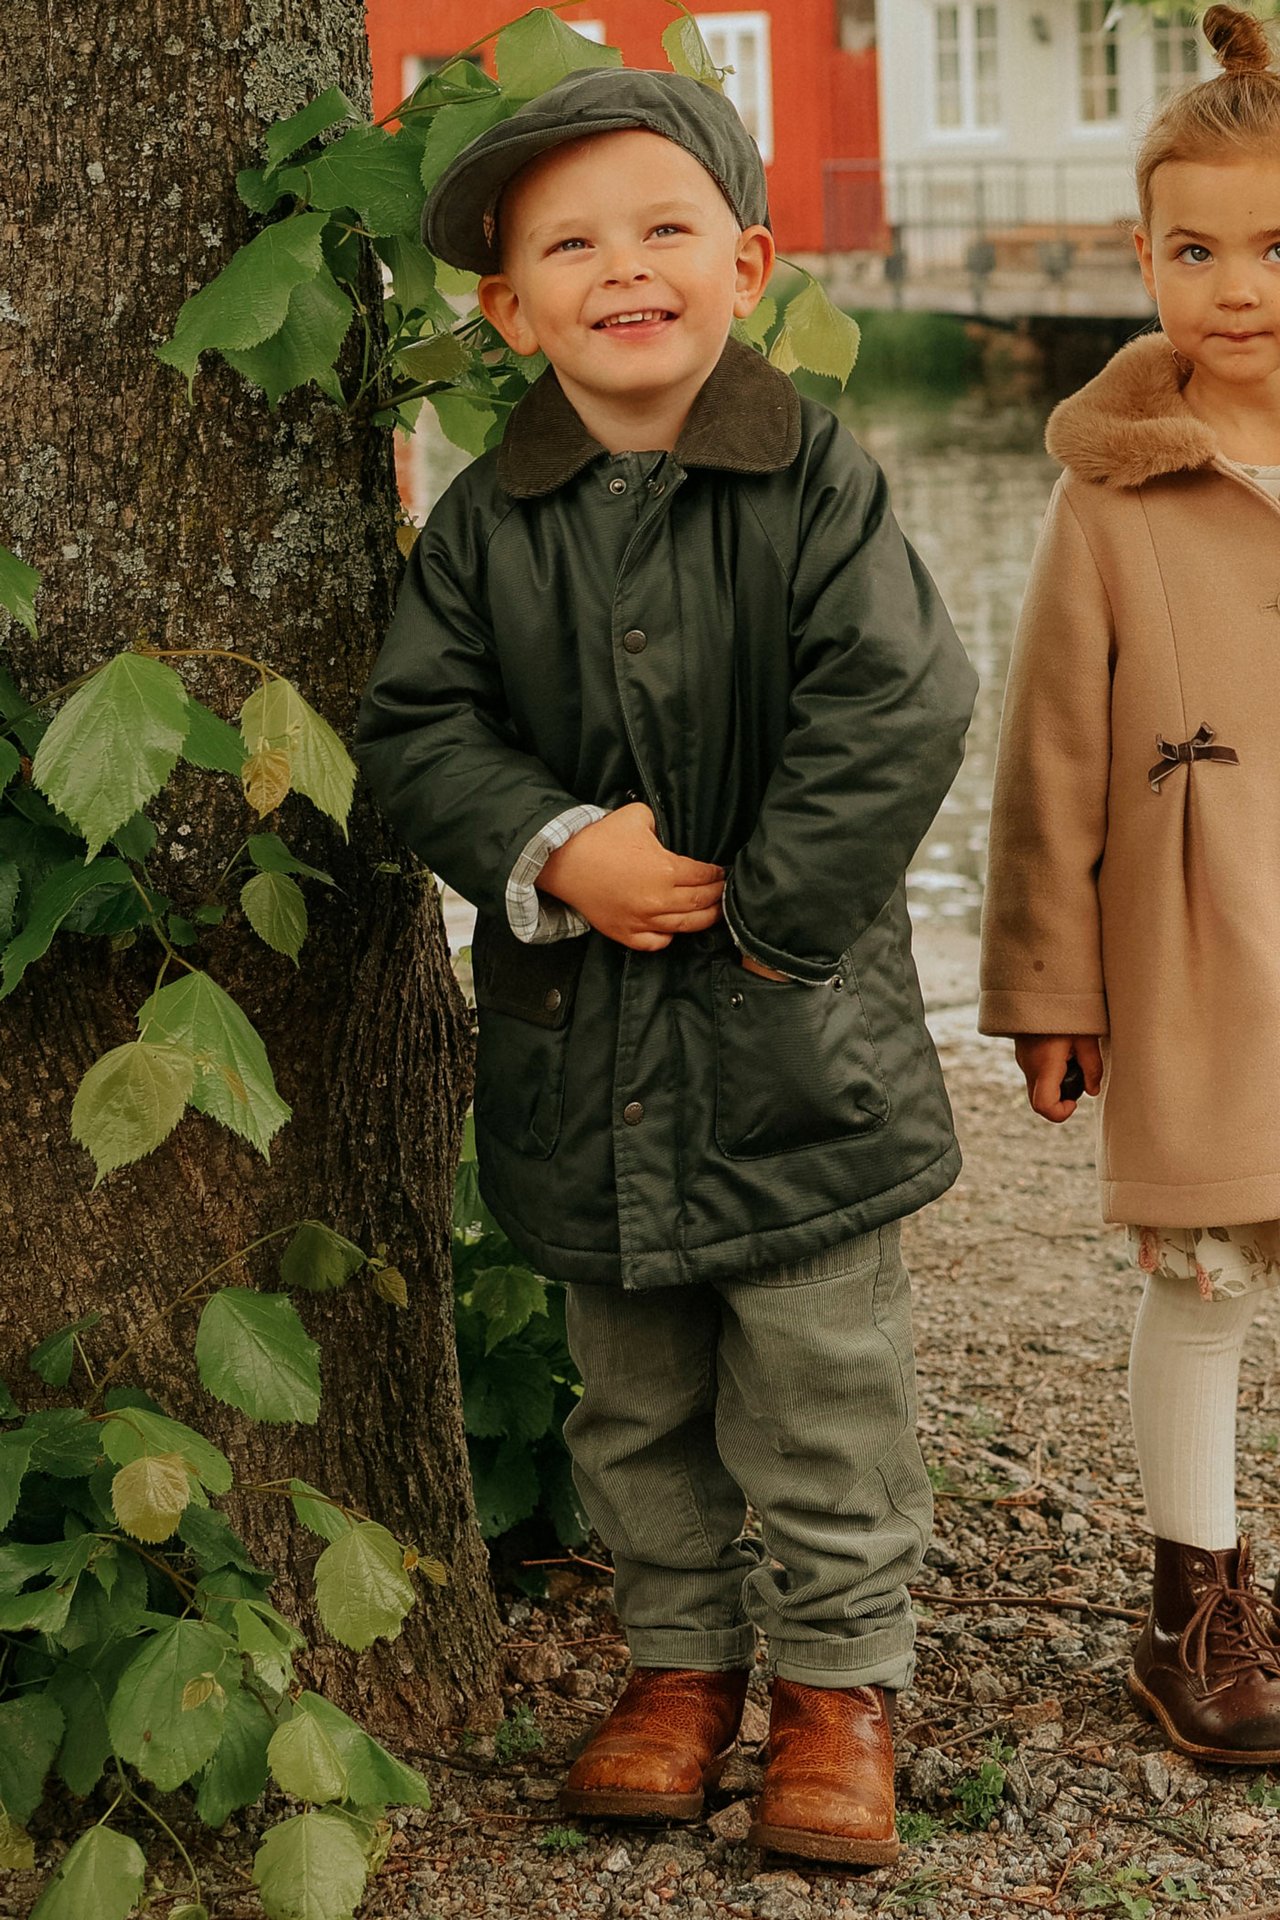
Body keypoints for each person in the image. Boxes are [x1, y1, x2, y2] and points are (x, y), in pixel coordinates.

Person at [356, 65, 976, 1863]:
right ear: (507, 304)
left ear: (749, 260)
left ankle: (844, 1687)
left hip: (800, 1042)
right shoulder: (486, 524)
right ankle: (680, 1669)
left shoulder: (816, 481)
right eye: (570, 244)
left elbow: (903, 698)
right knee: (633, 1397)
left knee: (824, 1386)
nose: (621, 269)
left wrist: (768, 916)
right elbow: (419, 734)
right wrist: (562, 853)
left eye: (662, 230)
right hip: (581, 1032)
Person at [980, 4, 1280, 1766]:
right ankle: (1198, 1608)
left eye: (1276, 245)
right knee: (1205, 1277)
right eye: (1195, 248)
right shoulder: (1109, 496)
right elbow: (1049, 760)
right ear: (1142, 257)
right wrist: (1046, 988)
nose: (1237, 285)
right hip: (1200, 941)